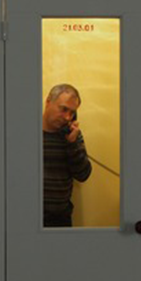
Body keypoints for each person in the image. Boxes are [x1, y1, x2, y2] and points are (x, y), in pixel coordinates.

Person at [42, 83, 92, 227]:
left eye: (72, 112)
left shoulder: (72, 135)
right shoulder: (26, 131)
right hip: (27, 214)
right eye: (63, 109)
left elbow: (83, 175)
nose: (67, 117)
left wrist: (72, 143)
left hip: (60, 217)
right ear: (48, 101)